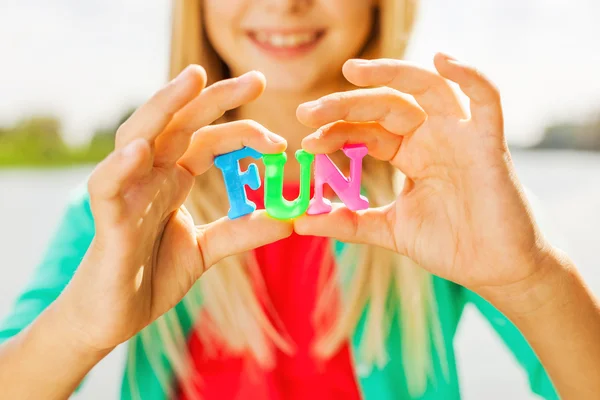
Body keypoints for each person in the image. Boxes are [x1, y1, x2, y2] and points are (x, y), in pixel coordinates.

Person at [1, 1, 599, 399]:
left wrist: (533, 282)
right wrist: (80, 329)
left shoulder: (452, 193)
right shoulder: (124, 215)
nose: (285, 2)